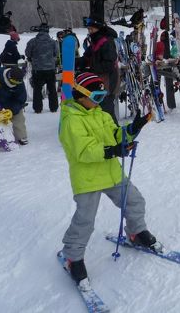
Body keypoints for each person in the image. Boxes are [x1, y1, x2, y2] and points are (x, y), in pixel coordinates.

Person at [58, 72, 157, 286]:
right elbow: (83, 150)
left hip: (111, 172)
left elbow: (115, 135)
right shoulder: (71, 121)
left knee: (134, 201)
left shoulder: (101, 114)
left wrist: (131, 130)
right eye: (96, 96)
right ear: (80, 95)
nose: (99, 101)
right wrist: (112, 151)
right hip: (87, 178)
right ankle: (72, 257)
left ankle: (136, 232)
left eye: (103, 96)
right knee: (85, 220)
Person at [79, 16, 120, 123]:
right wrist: (78, 62)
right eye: (89, 29)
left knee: (106, 110)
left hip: (108, 81)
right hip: (98, 80)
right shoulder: (95, 41)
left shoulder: (107, 42)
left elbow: (109, 64)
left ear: (99, 29)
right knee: (98, 109)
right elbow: (88, 56)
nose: (90, 32)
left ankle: (115, 135)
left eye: (92, 29)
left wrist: (91, 68)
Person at [0, 66, 28, 147]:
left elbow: (21, 99)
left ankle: (21, 137)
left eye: (18, 82)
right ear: (9, 77)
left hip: (12, 103)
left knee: (19, 119)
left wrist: (13, 111)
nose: (15, 84)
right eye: (14, 82)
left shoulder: (20, 85)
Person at [25, 24, 60, 114]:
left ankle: (38, 108)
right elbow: (56, 53)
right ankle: (53, 107)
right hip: (50, 69)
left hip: (37, 69)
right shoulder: (53, 42)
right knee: (52, 89)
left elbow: (28, 53)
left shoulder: (32, 42)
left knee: (37, 89)